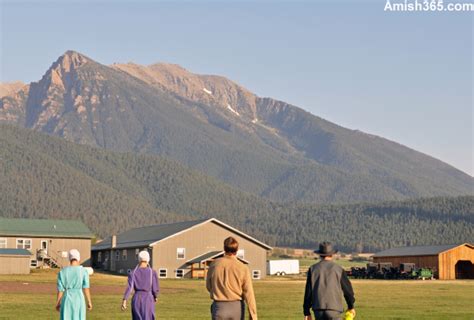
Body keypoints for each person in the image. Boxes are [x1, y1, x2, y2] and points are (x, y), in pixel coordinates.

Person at [206, 237, 257, 320]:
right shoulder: (242, 267)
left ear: (224, 248)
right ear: (237, 250)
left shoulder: (214, 265)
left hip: (219, 307)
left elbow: (208, 286)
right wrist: (253, 315)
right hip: (237, 308)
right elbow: (249, 293)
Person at [303, 242, 356, 320]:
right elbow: (348, 291)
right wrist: (351, 306)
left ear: (320, 254)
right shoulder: (339, 269)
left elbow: (308, 293)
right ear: (332, 254)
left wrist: (306, 312)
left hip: (318, 309)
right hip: (334, 309)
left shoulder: (312, 269)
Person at [122, 250, 159, 320]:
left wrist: (125, 300)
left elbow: (129, 288)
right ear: (148, 259)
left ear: (139, 259)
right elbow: (155, 288)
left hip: (136, 299)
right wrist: (155, 296)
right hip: (148, 298)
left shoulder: (133, 273)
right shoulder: (152, 272)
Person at [56, 249, 92, 320]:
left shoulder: (62, 272)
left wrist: (58, 303)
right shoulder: (83, 271)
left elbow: (60, 290)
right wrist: (89, 301)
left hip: (67, 299)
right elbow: (86, 288)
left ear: (69, 258)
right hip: (79, 299)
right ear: (78, 258)